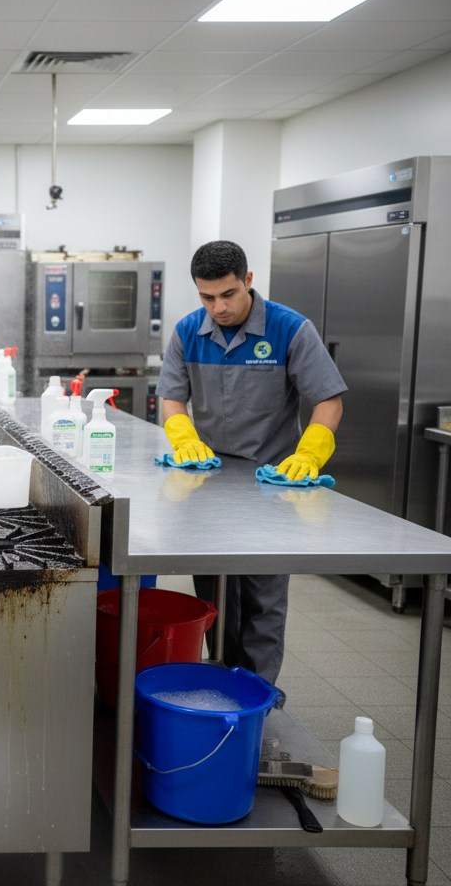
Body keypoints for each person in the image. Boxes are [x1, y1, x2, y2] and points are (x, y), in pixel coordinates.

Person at [155, 240, 346, 686]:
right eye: (207, 297)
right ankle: (223, 681)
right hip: (207, 486)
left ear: (248, 281)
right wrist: (184, 438)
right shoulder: (188, 331)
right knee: (214, 593)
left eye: (228, 294)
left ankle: (257, 694)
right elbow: (172, 399)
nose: (218, 308)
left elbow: (328, 400)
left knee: (263, 598)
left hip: (271, 487)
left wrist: (310, 453)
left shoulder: (290, 329)